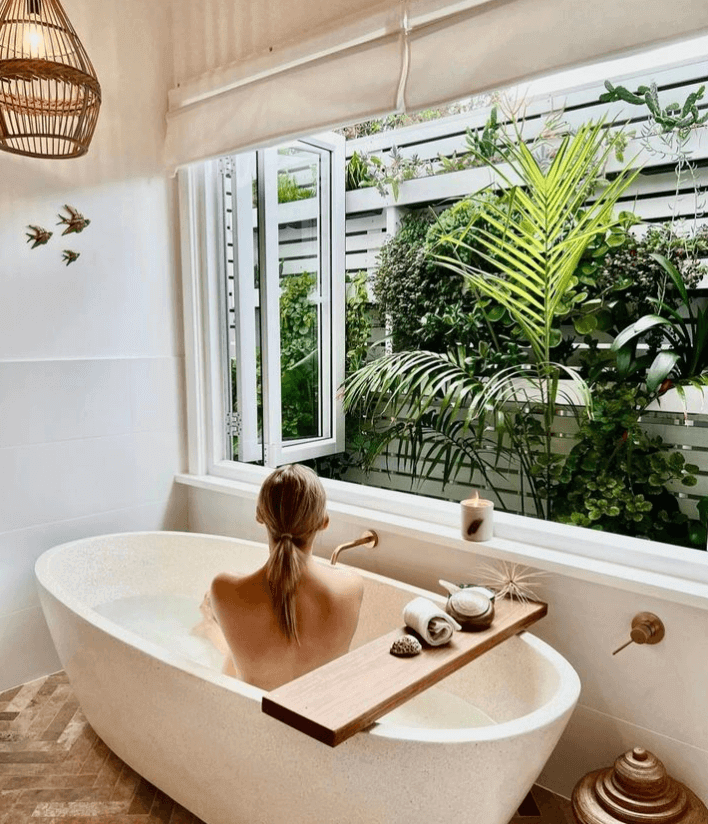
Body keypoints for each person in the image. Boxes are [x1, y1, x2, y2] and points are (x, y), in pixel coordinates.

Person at [204, 464, 364, 691]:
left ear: (259, 516)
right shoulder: (352, 586)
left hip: (253, 717)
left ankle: (208, 629)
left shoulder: (223, 589)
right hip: (322, 720)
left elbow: (250, 660)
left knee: (213, 632)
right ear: (324, 521)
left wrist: (212, 624)